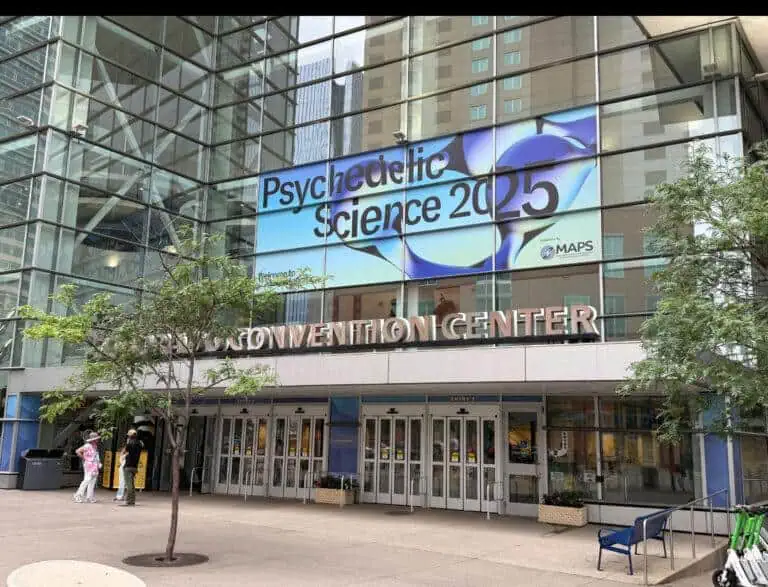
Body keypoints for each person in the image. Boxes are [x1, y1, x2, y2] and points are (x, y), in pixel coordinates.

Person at [73, 432, 102, 503]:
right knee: (87, 480)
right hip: (89, 465)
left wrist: (98, 463)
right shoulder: (87, 446)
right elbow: (77, 451)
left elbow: (95, 456)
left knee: (92, 481)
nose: (97, 440)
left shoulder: (94, 446)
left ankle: (89, 497)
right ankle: (78, 495)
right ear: (93, 439)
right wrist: (85, 458)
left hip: (94, 465)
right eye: (96, 439)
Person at [122, 429, 144, 507]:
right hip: (134, 467)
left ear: (130, 436)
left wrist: (127, 444)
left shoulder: (129, 444)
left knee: (129, 485)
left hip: (128, 466)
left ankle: (128, 501)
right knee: (132, 484)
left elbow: (124, 452)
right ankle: (132, 501)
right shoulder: (140, 444)